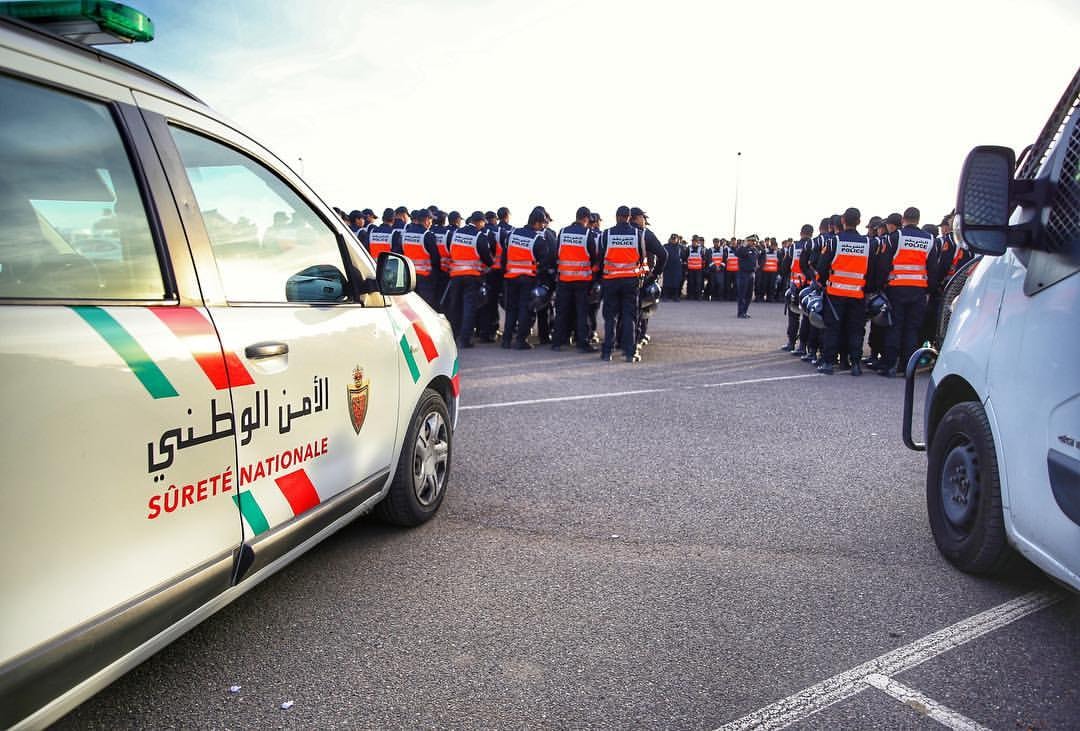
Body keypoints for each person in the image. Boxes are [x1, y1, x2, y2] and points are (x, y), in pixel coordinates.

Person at [877, 207, 942, 377]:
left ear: (903, 219)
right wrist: (929, 290)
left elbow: (884, 264)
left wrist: (881, 285)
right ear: (918, 220)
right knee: (912, 329)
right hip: (919, 290)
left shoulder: (895, 237)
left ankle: (890, 365)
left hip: (897, 288)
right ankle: (908, 367)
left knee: (895, 326)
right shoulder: (929, 239)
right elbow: (933, 268)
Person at [815, 207, 880, 375]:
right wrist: (867, 289)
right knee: (855, 329)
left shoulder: (834, 242)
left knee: (833, 328)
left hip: (835, 293)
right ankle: (855, 364)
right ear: (859, 222)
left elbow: (821, 267)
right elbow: (872, 270)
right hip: (858, 294)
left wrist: (823, 282)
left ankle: (829, 363)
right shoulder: (868, 244)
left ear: (843, 220)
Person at [502, 207, 554, 349]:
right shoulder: (538, 240)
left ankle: (506, 340)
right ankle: (521, 341)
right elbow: (545, 262)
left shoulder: (511, 234)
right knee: (525, 309)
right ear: (536, 223)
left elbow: (504, 257)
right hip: (527, 279)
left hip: (511, 277)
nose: (543, 226)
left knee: (511, 309)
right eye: (542, 223)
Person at [598, 205, 644, 362]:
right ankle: (630, 353)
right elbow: (642, 257)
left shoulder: (606, 234)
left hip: (610, 280)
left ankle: (607, 352)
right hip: (630, 281)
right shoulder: (637, 234)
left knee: (610, 317)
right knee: (629, 317)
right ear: (629, 217)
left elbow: (600, 257)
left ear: (617, 217)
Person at [552, 206, 599, 352]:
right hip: (582, 280)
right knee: (582, 312)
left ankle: (557, 342)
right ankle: (582, 343)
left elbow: (556, 253)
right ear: (586, 219)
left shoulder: (563, 232)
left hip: (564, 278)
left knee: (562, 311)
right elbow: (594, 257)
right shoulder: (588, 234)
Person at [447, 211, 493, 348]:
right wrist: (490, 265)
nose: (483, 225)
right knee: (469, 308)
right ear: (479, 222)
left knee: (455, 307)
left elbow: (449, 250)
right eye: (483, 223)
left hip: (455, 275)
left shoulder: (456, 233)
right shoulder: (479, 236)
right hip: (472, 277)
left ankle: (453, 336)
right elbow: (487, 258)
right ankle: (465, 339)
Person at [782, 224, 813, 351]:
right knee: (807, 317)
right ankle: (803, 346)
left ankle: (791, 343)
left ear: (801, 233)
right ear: (811, 234)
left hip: (795, 286)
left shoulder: (793, 247)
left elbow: (784, 267)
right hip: (809, 287)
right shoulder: (813, 246)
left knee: (793, 316)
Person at [400, 209, 441, 307]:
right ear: (426, 220)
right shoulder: (427, 235)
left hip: (408, 275)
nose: (431, 223)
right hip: (424, 277)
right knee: (424, 306)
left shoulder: (405, 234)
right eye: (431, 220)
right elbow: (435, 259)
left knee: (410, 305)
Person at [734, 235, 757, 318]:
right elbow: (737, 253)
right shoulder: (743, 249)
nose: (754, 243)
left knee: (749, 295)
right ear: (747, 241)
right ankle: (740, 313)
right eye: (752, 241)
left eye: (754, 241)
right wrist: (743, 245)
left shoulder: (754, 250)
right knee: (742, 294)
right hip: (743, 274)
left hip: (751, 274)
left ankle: (745, 311)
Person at [661, 234, 684, 301]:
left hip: (677, 268)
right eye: (672, 239)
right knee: (666, 282)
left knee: (676, 283)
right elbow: (662, 254)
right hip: (668, 267)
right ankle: (665, 296)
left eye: (675, 239)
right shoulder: (666, 246)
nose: (673, 240)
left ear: (677, 239)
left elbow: (684, 256)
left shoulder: (680, 247)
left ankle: (675, 296)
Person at [685, 235, 706, 300]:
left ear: (697, 242)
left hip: (698, 270)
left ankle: (698, 296)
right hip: (690, 269)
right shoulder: (688, 248)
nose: (694, 242)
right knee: (691, 283)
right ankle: (691, 295)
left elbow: (704, 259)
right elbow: (686, 258)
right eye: (693, 241)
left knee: (698, 283)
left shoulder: (701, 249)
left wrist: (703, 268)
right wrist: (686, 269)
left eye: (695, 241)